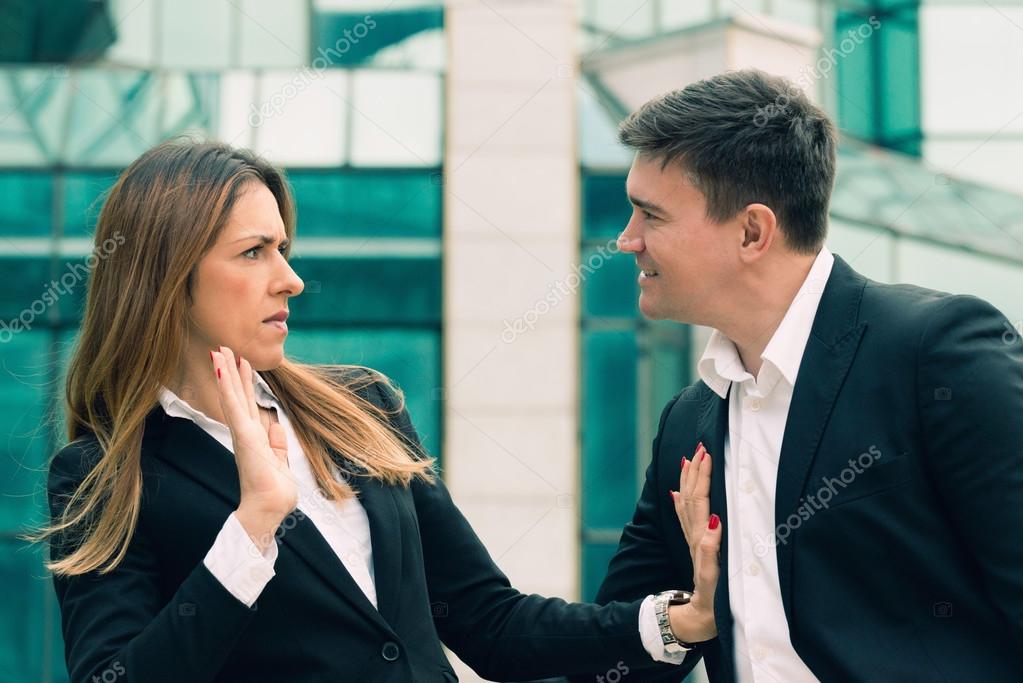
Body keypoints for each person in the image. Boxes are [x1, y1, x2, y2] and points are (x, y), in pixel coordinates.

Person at [38, 139, 724, 683]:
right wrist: (252, 528)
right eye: (253, 253)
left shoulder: (359, 406)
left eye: (283, 249)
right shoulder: (104, 475)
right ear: (166, 275)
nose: (290, 279)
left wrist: (679, 620)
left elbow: (488, 621)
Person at [571, 69, 1023, 682]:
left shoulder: (936, 351)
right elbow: (614, 661)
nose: (627, 240)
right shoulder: (687, 421)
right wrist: (688, 614)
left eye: (651, 215)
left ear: (752, 232)